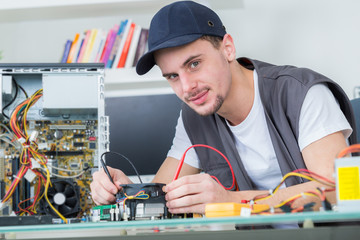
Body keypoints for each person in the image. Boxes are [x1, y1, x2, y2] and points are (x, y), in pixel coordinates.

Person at [90, 1, 357, 215]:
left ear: (228, 48)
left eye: (194, 64)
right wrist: (123, 192)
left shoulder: (303, 93)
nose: (187, 87)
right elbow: (164, 194)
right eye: (172, 76)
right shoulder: (193, 118)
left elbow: (336, 189)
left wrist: (231, 201)